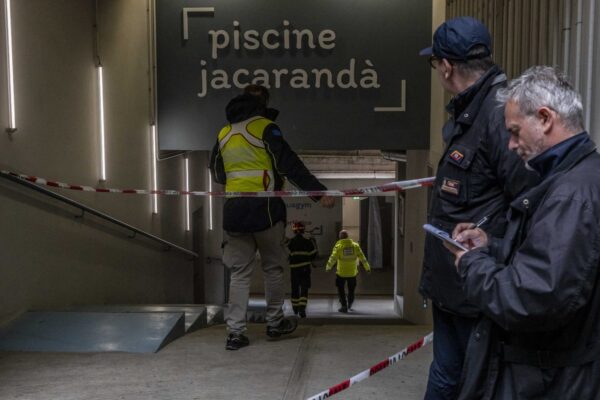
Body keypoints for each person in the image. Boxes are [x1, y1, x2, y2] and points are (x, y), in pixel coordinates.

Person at [445, 66, 600, 400]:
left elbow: (532, 297)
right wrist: (491, 247)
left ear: (545, 118)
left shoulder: (570, 195)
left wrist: (471, 265)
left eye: (515, 132)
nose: (512, 145)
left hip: (549, 383)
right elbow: (552, 264)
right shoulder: (570, 179)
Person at [418, 16, 536, 399]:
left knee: (469, 381)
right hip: (457, 284)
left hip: (477, 285)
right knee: (448, 374)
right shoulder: (474, 111)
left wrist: (491, 245)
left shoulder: (499, 116)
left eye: (435, 64)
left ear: (446, 67)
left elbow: (528, 199)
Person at [210, 84, 335, 351]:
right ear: (264, 104)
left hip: (234, 211)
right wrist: (318, 193)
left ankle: (235, 333)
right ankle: (275, 322)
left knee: (239, 273)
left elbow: (218, 174)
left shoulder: (224, 133)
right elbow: (288, 164)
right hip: (265, 209)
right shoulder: (265, 128)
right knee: (273, 268)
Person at [325, 230, 371, 313]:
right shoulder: (355, 246)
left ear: (340, 237)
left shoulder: (339, 247)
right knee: (351, 290)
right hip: (352, 273)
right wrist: (367, 268)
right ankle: (350, 303)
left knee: (341, 290)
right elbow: (362, 258)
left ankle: (344, 306)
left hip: (341, 273)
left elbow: (333, 258)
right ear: (347, 237)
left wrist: (328, 267)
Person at [287, 221, 318, 318]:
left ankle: (295, 308)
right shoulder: (308, 242)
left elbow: (286, 255)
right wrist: (314, 242)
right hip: (305, 269)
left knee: (295, 289)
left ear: (294, 231)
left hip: (294, 270)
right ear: (303, 230)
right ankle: (302, 309)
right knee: (304, 289)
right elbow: (314, 254)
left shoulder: (290, 242)